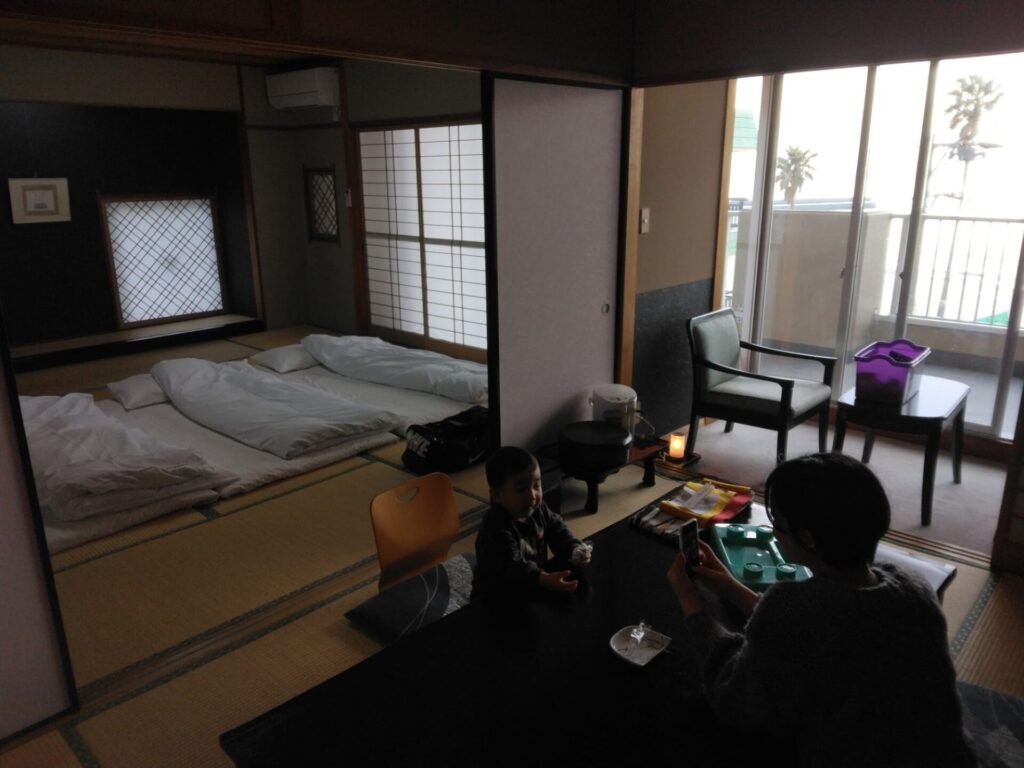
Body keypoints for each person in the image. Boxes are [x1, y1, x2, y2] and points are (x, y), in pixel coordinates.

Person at [666, 452, 976, 767]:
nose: (774, 531)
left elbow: (736, 701)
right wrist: (731, 588)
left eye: (777, 523)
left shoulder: (794, 608)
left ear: (806, 538)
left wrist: (691, 603)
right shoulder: (914, 587)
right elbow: (818, 632)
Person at [471, 445, 591, 601]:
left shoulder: (537, 509)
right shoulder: (495, 528)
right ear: (497, 495)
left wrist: (573, 548)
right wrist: (542, 578)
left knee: (580, 580)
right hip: (499, 594)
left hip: (533, 579)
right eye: (521, 489)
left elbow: (557, 528)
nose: (532, 495)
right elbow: (512, 566)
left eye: (536, 486)